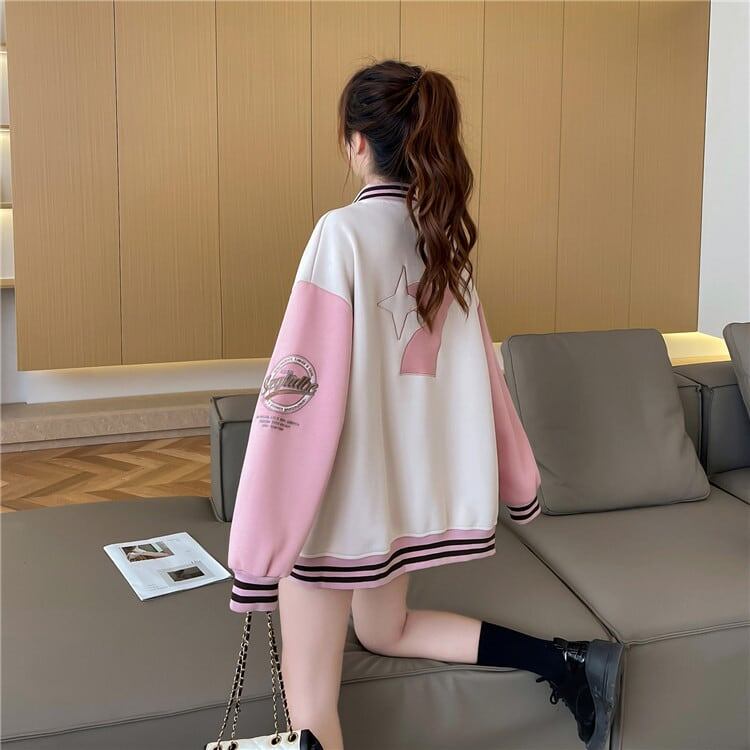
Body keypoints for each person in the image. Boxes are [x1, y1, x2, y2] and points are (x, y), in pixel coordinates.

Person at [226, 59, 623, 750]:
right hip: (404, 505)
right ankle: (567, 663)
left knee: (310, 696)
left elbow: (297, 393)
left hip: (340, 510)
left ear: (357, 143)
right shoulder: (445, 243)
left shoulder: (341, 235)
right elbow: (487, 381)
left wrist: (260, 552)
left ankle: (569, 664)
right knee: (385, 630)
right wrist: (520, 485)